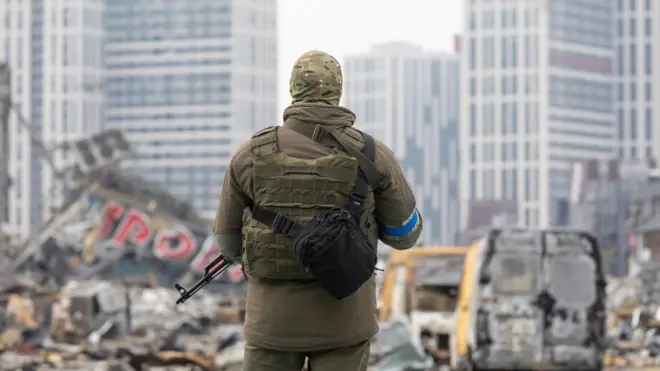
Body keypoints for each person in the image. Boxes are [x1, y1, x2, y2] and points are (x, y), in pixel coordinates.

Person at [213, 50, 422, 371]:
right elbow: (405, 236)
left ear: (293, 89)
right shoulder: (373, 155)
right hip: (346, 321)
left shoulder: (250, 155)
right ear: (338, 91)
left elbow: (227, 245)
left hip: (272, 324)